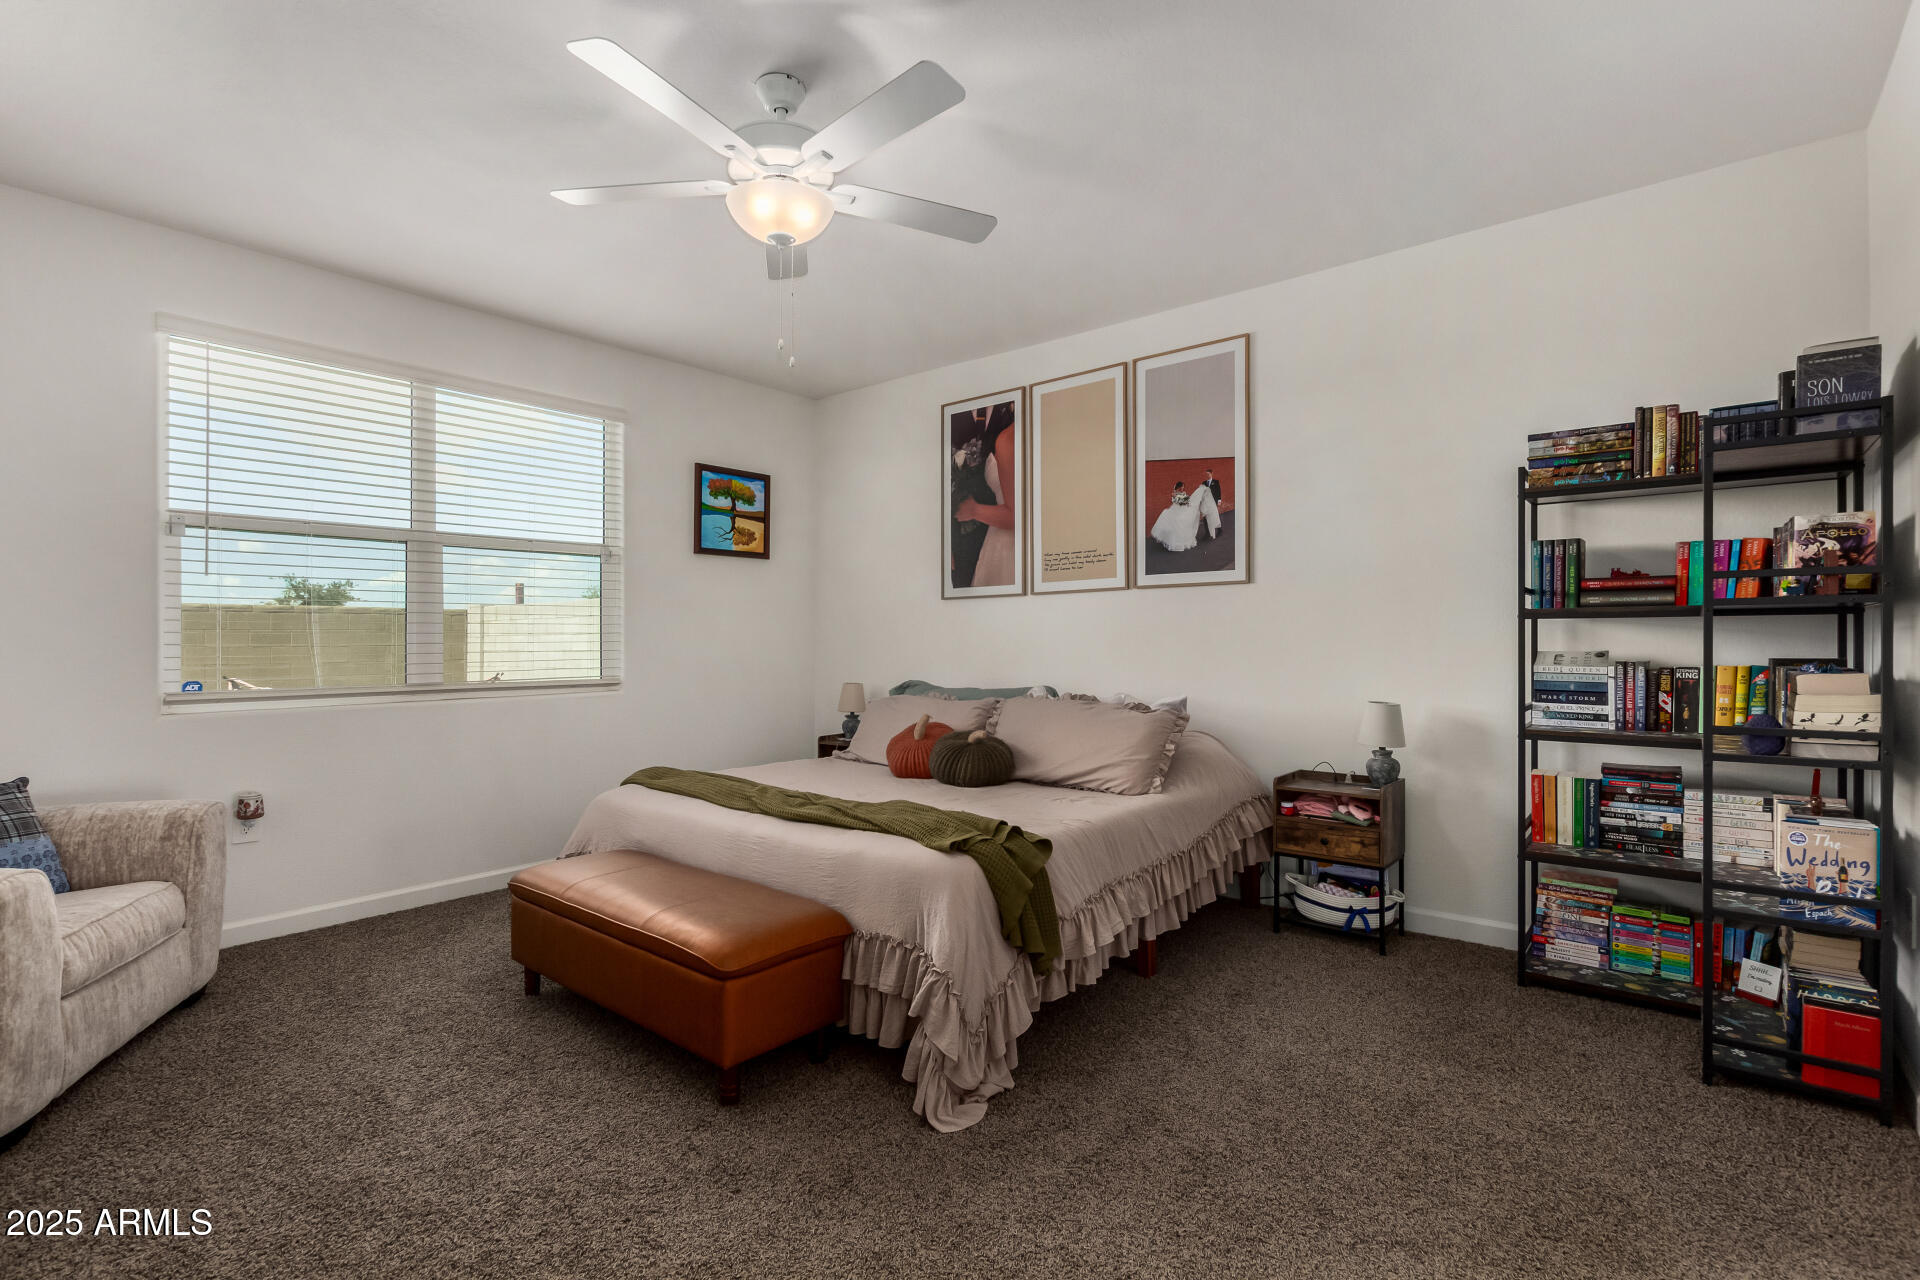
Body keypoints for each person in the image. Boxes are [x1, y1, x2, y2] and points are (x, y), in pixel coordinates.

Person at [954, 409, 1017, 587]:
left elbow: (1016, 516)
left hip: (1006, 542)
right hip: (965, 541)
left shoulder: (1008, 436)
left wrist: (974, 510)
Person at [1149, 479, 1220, 552]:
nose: (1183, 488)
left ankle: (1178, 540)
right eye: (1182, 487)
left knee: (1181, 522)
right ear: (1179, 487)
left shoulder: (1183, 493)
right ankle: (1174, 542)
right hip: (1176, 510)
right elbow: (1178, 501)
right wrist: (1185, 501)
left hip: (1182, 510)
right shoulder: (1174, 493)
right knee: (1175, 522)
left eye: (1183, 487)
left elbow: (1187, 502)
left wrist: (1188, 502)